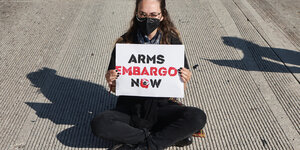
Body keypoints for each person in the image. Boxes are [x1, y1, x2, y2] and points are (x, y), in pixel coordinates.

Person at [90, 0, 207, 149]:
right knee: (99, 124)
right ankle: (164, 138)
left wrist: (185, 79)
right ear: (136, 14)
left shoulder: (172, 43)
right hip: (131, 108)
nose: (147, 20)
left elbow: (180, 88)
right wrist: (111, 79)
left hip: (161, 107)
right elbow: (115, 88)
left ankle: (143, 145)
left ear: (162, 15)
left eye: (153, 15)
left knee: (197, 117)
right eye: (143, 14)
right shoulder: (124, 43)